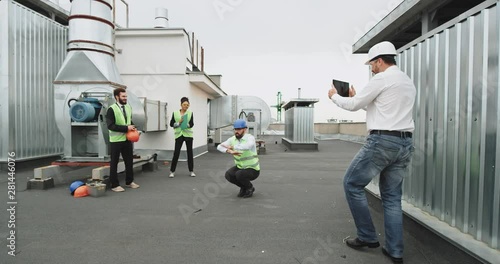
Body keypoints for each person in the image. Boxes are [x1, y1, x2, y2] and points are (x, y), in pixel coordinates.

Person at [328, 41, 415, 264]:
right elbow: (381, 107)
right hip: (404, 143)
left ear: (379, 60)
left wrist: (334, 96)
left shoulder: (381, 79)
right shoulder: (406, 81)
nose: (371, 68)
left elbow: (353, 106)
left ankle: (367, 236)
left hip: (382, 142)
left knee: (351, 183)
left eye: (371, 64)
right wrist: (358, 96)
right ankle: (395, 251)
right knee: (393, 198)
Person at [106, 87, 140, 192]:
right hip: (116, 140)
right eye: (123, 96)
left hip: (127, 139)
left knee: (129, 161)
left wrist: (133, 127)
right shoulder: (111, 109)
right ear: (117, 97)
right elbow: (110, 126)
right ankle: (114, 185)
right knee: (114, 162)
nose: (125, 98)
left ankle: (129, 182)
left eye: (126, 96)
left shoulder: (128, 107)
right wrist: (126, 128)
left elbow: (129, 120)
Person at [217, 119, 260, 198]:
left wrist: (233, 147)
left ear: (245, 129)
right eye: (235, 129)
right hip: (240, 167)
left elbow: (247, 146)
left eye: (239, 129)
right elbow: (219, 146)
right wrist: (229, 151)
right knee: (228, 175)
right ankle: (244, 187)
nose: (237, 131)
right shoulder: (232, 139)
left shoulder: (250, 138)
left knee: (239, 174)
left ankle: (250, 187)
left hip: (253, 169)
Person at [169, 97, 195, 178]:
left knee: (190, 153)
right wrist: (179, 123)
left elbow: (191, 124)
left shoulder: (190, 113)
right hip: (179, 135)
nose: (186, 106)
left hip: (188, 135)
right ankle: (172, 171)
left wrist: (186, 124)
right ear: (181, 105)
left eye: (187, 105)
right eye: (184, 104)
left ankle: (191, 171)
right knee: (176, 153)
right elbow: (171, 124)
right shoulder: (175, 113)